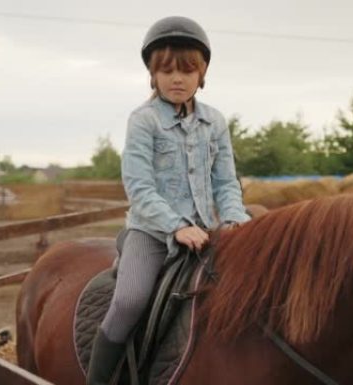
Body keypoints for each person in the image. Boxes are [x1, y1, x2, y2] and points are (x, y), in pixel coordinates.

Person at [86, 16, 251, 385]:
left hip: (207, 232)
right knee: (129, 301)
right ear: (153, 74)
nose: (178, 79)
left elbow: (225, 182)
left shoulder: (216, 123)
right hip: (152, 232)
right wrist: (177, 226)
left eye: (187, 70)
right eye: (168, 71)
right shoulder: (143, 121)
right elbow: (139, 186)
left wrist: (236, 221)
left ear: (202, 72)